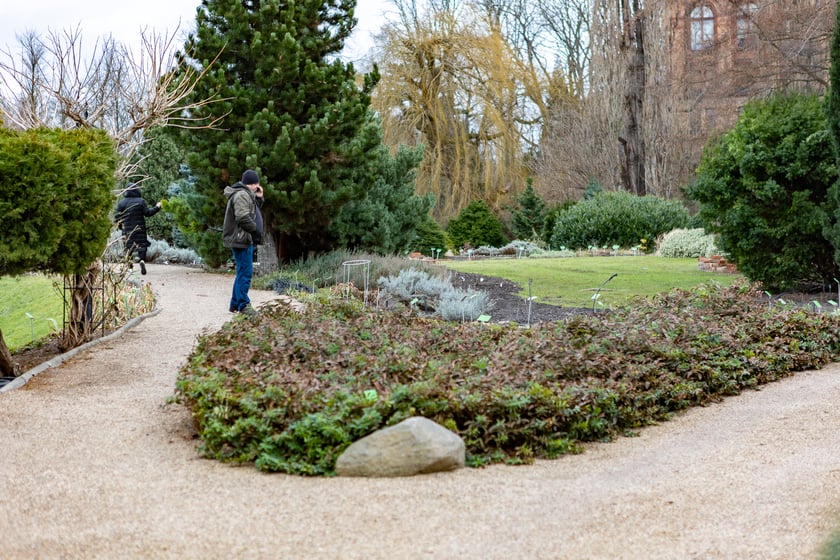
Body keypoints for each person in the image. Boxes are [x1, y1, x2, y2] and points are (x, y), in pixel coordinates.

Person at [222, 169, 264, 316]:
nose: (258, 187)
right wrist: (255, 230)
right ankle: (243, 305)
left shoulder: (246, 195)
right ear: (252, 184)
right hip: (241, 238)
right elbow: (242, 217)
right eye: (256, 184)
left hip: (243, 238)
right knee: (245, 272)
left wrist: (258, 198)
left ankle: (235, 303)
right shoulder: (241, 195)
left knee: (242, 271)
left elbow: (253, 211)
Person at [115, 183, 162, 275]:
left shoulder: (122, 203)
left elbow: (117, 217)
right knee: (142, 245)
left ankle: (129, 265)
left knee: (128, 247)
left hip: (127, 229)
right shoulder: (141, 201)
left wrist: (121, 227)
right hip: (139, 228)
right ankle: (142, 260)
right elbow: (148, 213)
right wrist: (157, 207)